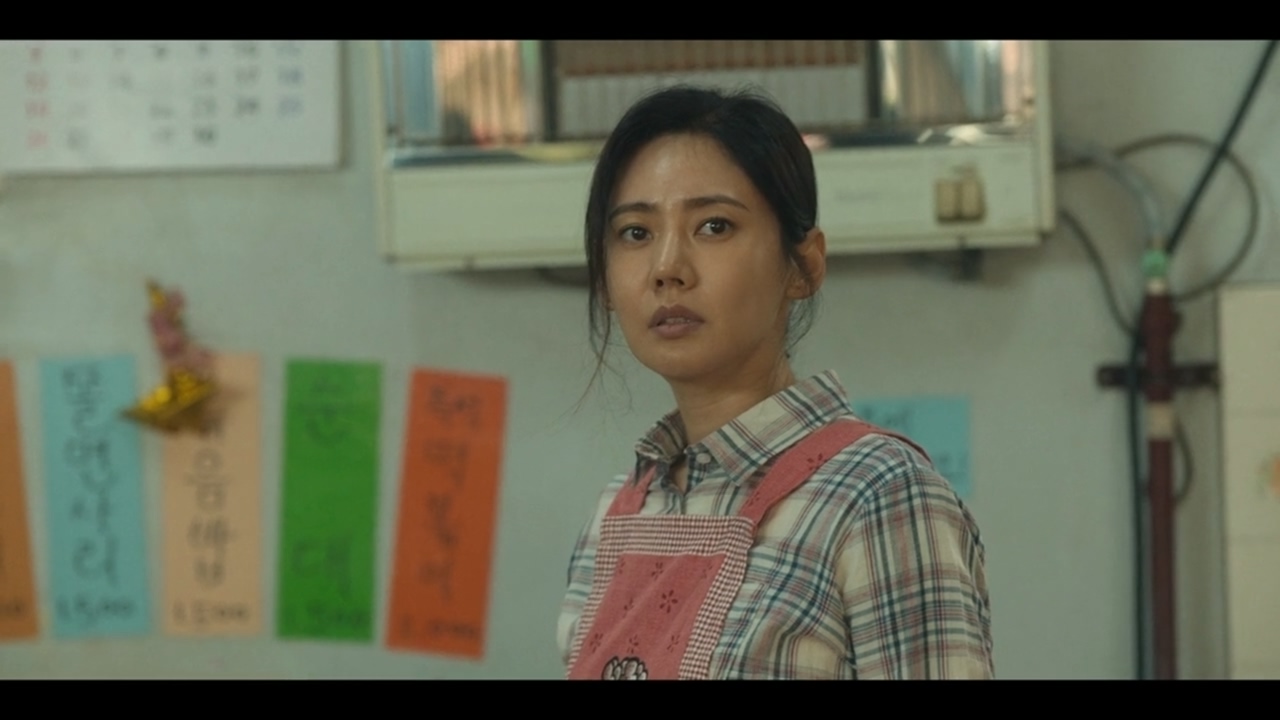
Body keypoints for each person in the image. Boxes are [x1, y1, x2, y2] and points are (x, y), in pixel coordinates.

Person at [556, 85, 993, 680]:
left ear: (803, 266)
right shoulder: (618, 511)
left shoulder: (877, 494)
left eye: (713, 226)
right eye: (635, 233)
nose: (666, 268)